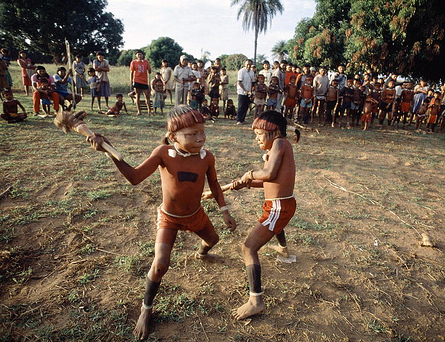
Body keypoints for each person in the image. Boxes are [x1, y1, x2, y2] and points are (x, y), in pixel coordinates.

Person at [87, 105, 236, 340]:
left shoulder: (207, 157)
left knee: (213, 240)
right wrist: (108, 150)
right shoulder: (163, 153)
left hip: (195, 215)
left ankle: (201, 253)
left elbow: (215, 184)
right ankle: (146, 309)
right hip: (169, 218)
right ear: (173, 135)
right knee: (160, 265)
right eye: (192, 134)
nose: (200, 138)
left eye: (202, 132)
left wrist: (224, 210)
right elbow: (135, 178)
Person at [230, 110, 299, 321]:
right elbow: (270, 180)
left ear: (274, 131)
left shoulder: (279, 143)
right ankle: (284, 251)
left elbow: (267, 174)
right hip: (281, 205)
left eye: (259, 134)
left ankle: (255, 301)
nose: (257, 139)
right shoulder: (279, 148)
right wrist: (247, 184)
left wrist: (249, 175)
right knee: (276, 224)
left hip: (278, 206)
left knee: (248, 248)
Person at [130, 50, 152, 115]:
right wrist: (131, 81)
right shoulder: (133, 62)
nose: (140, 56)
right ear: (136, 55)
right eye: (138, 54)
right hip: (137, 80)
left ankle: (149, 111)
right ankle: (139, 111)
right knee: (138, 96)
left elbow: (149, 70)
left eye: (141, 54)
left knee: (147, 96)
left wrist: (149, 70)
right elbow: (131, 72)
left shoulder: (146, 62)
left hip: (144, 81)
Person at [236, 59, 254, 125]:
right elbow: (239, 82)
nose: (248, 66)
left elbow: (252, 82)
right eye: (247, 64)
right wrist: (244, 90)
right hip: (241, 91)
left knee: (246, 106)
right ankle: (239, 120)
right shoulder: (241, 71)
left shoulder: (252, 72)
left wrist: (251, 91)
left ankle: (243, 119)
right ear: (245, 64)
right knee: (241, 106)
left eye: (250, 64)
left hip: (249, 91)